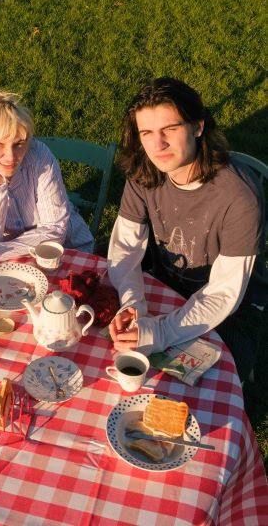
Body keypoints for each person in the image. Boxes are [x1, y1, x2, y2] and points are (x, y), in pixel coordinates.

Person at [108, 77, 267, 382]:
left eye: (170, 129)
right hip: (167, 280)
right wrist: (133, 303)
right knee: (111, 344)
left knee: (203, 385)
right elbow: (125, 247)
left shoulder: (240, 196)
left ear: (198, 126)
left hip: (234, 306)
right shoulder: (145, 170)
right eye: (147, 133)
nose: (158, 145)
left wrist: (162, 330)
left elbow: (225, 292)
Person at [0, 89, 94, 266]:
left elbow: (55, 231)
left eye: (19, 144)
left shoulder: (39, 155)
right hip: (5, 263)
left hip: (66, 252)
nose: (11, 157)